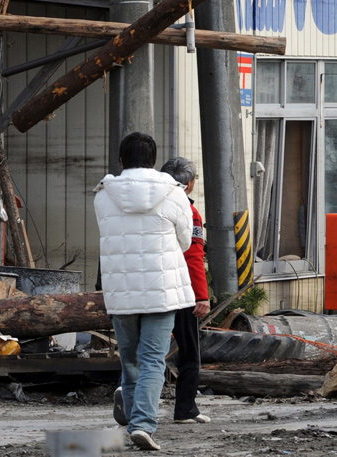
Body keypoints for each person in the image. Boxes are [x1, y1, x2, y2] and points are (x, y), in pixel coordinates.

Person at [95, 133, 195, 452]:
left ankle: (133, 411)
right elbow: (185, 241)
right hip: (162, 291)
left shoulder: (103, 195)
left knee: (130, 358)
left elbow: (112, 237)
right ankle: (142, 424)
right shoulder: (175, 194)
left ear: (121, 160)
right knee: (153, 358)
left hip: (121, 292)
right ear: (154, 160)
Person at [160, 157, 211, 424]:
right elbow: (194, 255)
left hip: (149, 290)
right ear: (189, 185)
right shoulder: (189, 213)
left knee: (148, 351)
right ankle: (185, 409)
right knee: (189, 352)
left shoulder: (150, 207)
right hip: (181, 292)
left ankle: (133, 404)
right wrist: (201, 295)